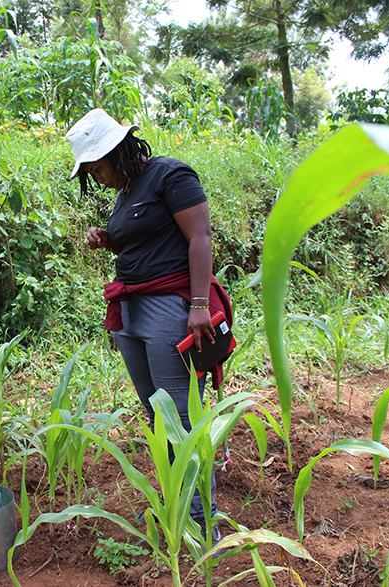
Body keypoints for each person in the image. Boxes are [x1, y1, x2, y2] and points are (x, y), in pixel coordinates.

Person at [65, 108, 232, 544]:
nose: (98, 177)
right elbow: (144, 237)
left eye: (98, 167)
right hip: (133, 309)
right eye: (91, 172)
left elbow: (200, 238)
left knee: (178, 412)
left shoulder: (170, 176)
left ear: (119, 152)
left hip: (168, 307)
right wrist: (108, 237)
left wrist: (198, 304)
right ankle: (178, 500)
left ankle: (201, 521)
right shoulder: (126, 193)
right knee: (156, 411)